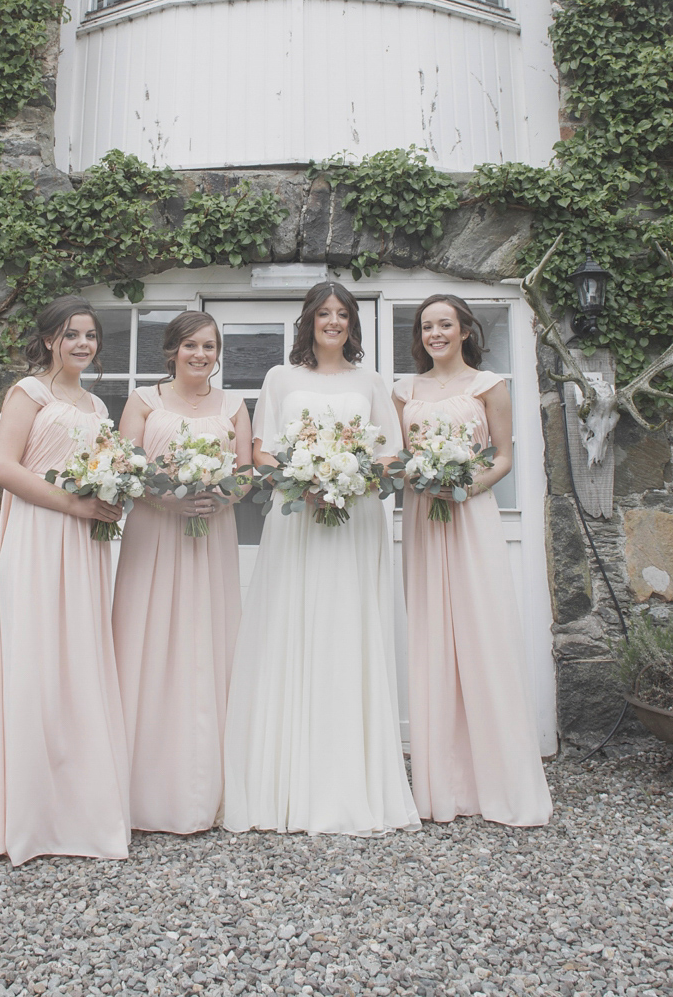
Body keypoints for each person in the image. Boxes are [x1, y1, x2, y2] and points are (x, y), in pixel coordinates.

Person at [223, 282, 418, 836]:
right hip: (298, 514)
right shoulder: (280, 379)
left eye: (342, 314)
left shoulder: (372, 381)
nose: (332, 321)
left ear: (352, 324)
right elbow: (261, 449)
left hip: (355, 517)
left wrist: (351, 475)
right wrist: (304, 477)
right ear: (308, 320)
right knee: (294, 625)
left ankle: (352, 780)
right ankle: (285, 782)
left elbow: (393, 452)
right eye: (323, 313)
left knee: (348, 628)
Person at [0, 297, 131, 865]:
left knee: (79, 665)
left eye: (90, 335)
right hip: (38, 538)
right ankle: (30, 820)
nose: (82, 344)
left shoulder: (96, 406)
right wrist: (75, 506)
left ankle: (81, 813)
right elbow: (4, 468)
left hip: (84, 549)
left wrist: (109, 500)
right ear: (48, 341)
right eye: (70, 335)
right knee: (37, 666)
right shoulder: (28, 393)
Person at [394, 294, 552, 827]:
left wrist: (464, 486)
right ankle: (442, 787)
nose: (435, 333)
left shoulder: (489, 386)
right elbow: (396, 460)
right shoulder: (403, 392)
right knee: (432, 636)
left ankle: (502, 782)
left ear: (465, 330)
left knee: (484, 634)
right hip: (421, 517)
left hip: (472, 514)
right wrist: (419, 478)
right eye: (426, 326)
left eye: (445, 324)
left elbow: (504, 457)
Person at [112, 313, 251, 833]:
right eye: (190, 345)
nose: (200, 354)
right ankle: (137, 787)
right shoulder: (144, 401)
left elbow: (244, 474)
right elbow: (126, 468)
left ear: (219, 352)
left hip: (211, 534)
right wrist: (168, 498)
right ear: (172, 350)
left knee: (204, 641)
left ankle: (201, 785)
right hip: (154, 531)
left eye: (210, 346)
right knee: (145, 640)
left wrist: (220, 495)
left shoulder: (235, 406)